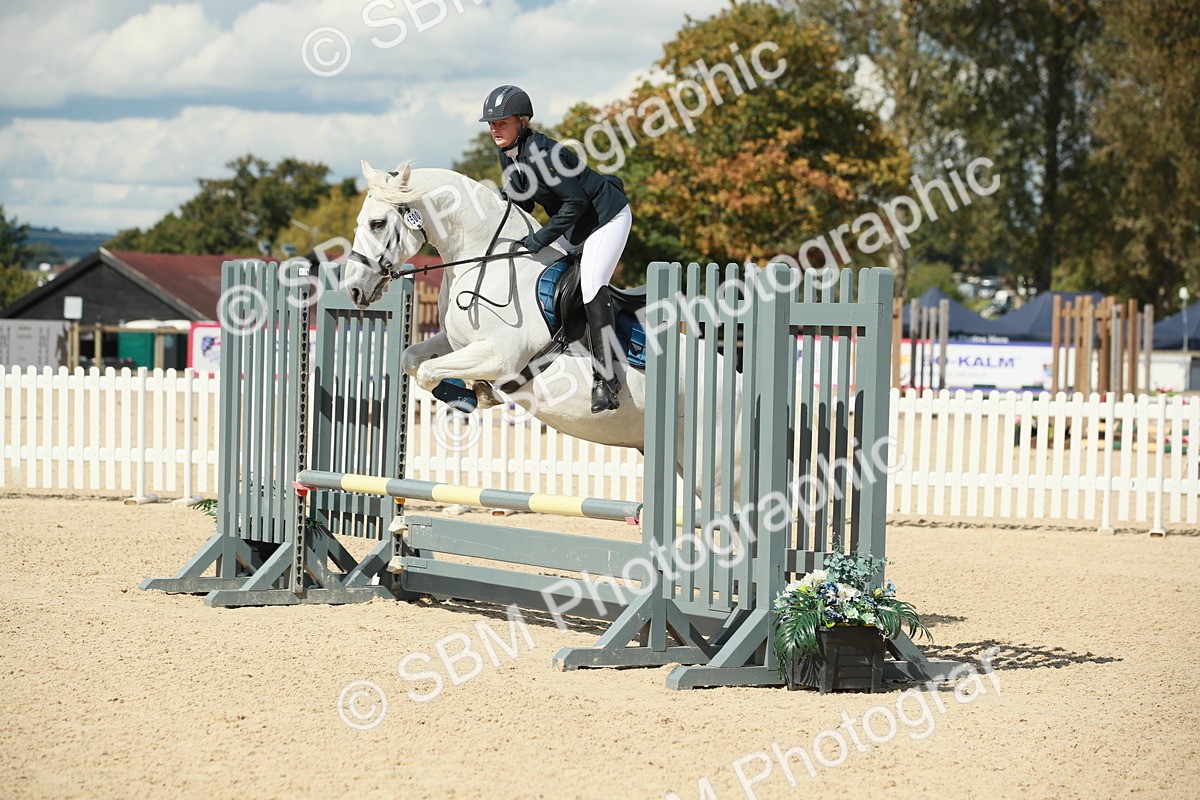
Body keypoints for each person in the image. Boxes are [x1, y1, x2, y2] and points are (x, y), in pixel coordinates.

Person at [479, 84, 632, 413]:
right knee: (529, 268)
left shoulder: (544, 153)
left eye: (502, 122)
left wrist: (539, 239)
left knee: (591, 285)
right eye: (491, 123)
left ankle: (606, 380)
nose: (495, 129)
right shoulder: (507, 153)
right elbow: (524, 201)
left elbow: (575, 202)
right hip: (576, 222)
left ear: (522, 121)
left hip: (605, 218)